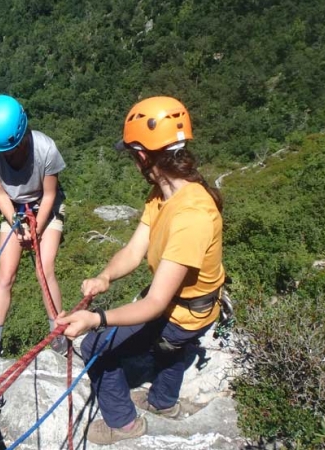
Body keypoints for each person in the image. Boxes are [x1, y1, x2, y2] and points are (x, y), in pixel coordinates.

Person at [56, 96, 225, 445]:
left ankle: (124, 425)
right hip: (194, 308)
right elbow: (134, 251)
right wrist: (105, 276)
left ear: (143, 154)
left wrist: (96, 320)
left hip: (180, 313)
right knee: (174, 348)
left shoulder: (192, 214)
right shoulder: (163, 194)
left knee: (96, 346)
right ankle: (163, 403)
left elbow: (155, 303)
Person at [0, 94, 69, 367]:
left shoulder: (45, 149)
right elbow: (0, 194)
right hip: (14, 209)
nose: (6, 155)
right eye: (2, 151)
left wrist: (36, 229)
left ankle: (58, 331)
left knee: (45, 269)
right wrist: (17, 223)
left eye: (11, 149)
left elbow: (50, 195)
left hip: (47, 207)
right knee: (6, 274)